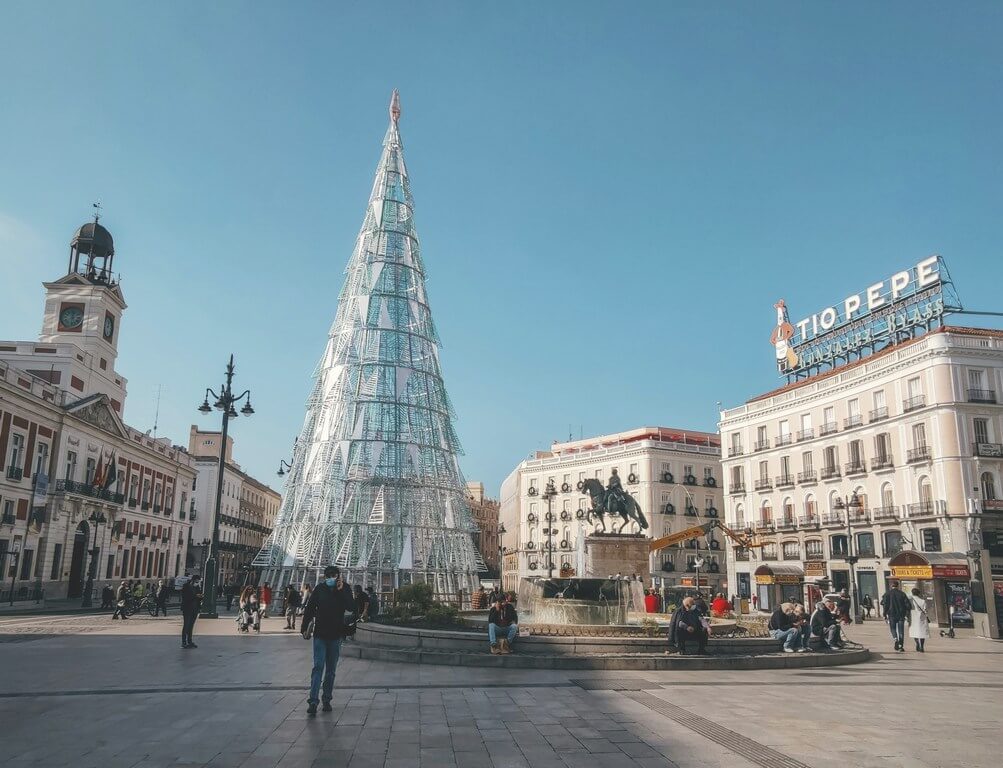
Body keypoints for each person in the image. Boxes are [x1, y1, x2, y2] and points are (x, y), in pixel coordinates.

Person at [302, 565, 354, 716]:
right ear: (325, 577)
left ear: (339, 576)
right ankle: (313, 701)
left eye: (334, 575)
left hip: (335, 635)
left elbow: (351, 606)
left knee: (331, 671)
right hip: (320, 634)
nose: (332, 578)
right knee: (318, 667)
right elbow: (310, 608)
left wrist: (341, 590)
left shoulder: (345, 589)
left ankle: (326, 699)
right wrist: (304, 628)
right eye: (329, 575)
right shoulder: (320, 589)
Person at [881, 581, 911, 653]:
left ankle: (895, 639)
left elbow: (884, 603)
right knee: (901, 631)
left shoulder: (887, 594)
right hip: (901, 615)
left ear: (891, 586)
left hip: (891, 614)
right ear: (898, 586)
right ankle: (901, 646)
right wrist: (906, 614)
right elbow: (908, 605)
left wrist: (884, 614)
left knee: (893, 628)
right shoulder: (902, 594)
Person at [180, 574, 203, 649]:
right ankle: (183, 642)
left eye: (198, 581)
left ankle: (190, 641)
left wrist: (200, 596)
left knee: (191, 626)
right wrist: (196, 596)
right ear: (193, 580)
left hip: (195, 609)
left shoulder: (197, 587)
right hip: (187, 608)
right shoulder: (186, 586)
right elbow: (185, 597)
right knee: (186, 625)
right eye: (197, 581)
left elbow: (199, 595)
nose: (197, 582)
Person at [909, 587, 930, 652]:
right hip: (922, 618)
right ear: (919, 593)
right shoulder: (923, 601)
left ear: (912, 593)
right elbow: (925, 610)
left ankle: (917, 643)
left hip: (913, 617)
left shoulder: (910, 600)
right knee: (922, 632)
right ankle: (922, 646)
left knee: (914, 632)